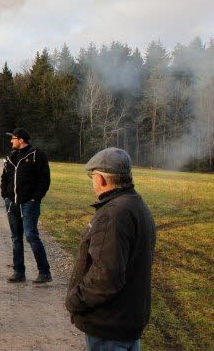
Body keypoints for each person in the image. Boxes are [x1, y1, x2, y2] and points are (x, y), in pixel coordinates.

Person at [66, 147, 156, 351]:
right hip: (127, 319)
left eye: (92, 176)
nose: (92, 182)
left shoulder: (112, 214)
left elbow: (106, 277)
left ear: (102, 179)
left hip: (109, 325)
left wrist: (75, 300)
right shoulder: (137, 204)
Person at [0, 128, 52, 283]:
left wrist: (36, 198)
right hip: (12, 203)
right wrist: (5, 196)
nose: (11, 141)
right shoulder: (11, 156)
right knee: (16, 238)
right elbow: (5, 177)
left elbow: (45, 179)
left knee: (31, 236)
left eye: (13, 138)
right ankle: (19, 272)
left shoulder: (37, 155)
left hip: (30, 203)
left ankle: (44, 272)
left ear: (21, 140)